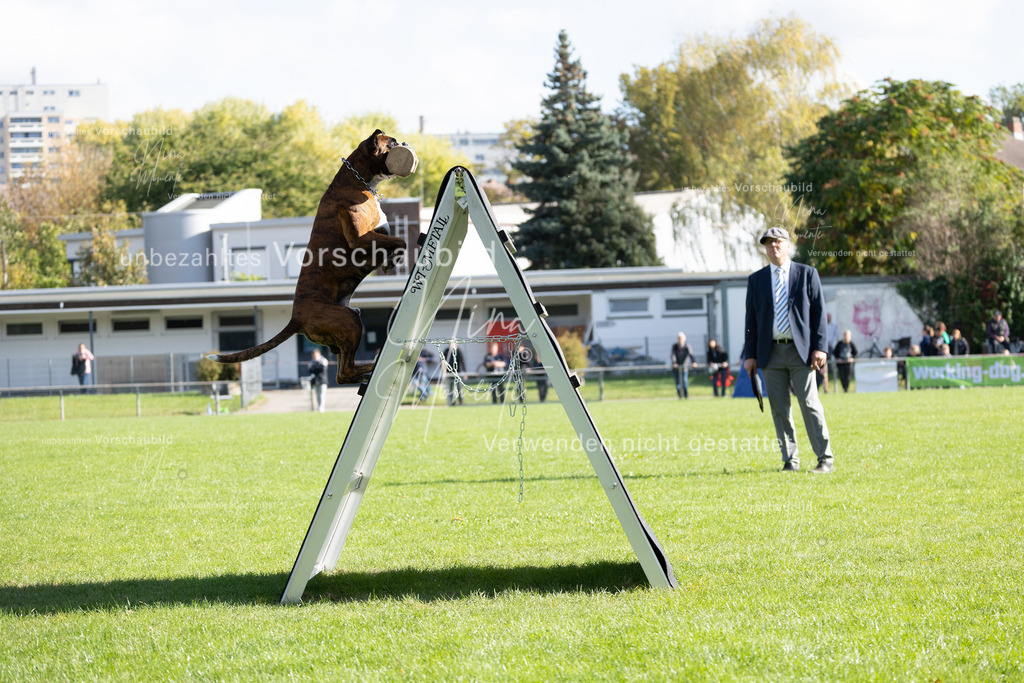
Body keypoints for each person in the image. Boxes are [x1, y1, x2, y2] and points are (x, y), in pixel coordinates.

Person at [743, 227, 834, 473]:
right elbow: (751, 321)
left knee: (810, 404)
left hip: (801, 352)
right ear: (765, 248)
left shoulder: (807, 274)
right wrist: (749, 355)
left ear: (787, 244)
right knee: (779, 409)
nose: (773, 246)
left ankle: (824, 458)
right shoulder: (756, 280)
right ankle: (790, 460)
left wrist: (820, 347)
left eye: (778, 241)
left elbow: (819, 313)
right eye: (769, 243)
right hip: (769, 353)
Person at [670, 332, 695, 399]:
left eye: (681, 338)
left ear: (684, 339)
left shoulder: (687, 346)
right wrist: (674, 363)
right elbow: (673, 355)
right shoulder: (675, 346)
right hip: (676, 367)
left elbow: (691, 354)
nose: (680, 340)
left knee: (684, 381)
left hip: (684, 367)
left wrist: (693, 362)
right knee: (678, 382)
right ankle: (680, 395)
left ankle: (686, 394)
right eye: (679, 338)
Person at [442, 341, 466, 406]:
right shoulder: (446, 351)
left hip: (458, 373)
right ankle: (452, 402)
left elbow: (462, 362)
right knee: (450, 388)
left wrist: (464, 372)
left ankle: (461, 402)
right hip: (449, 373)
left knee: (459, 388)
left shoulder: (459, 351)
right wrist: (444, 372)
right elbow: (443, 361)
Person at [825, 312, 838, 393]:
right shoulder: (823, 325)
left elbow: (835, 336)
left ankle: (829, 370)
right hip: (824, 346)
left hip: (830, 346)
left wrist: (831, 342)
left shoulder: (834, 326)